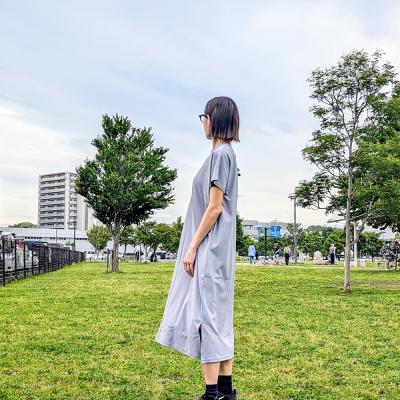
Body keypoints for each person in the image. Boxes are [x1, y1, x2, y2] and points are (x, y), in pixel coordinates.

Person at [155, 96, 240, 400]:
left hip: (209, 249)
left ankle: (211, 393)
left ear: (213, 119)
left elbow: (214, 208)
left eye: (203, 116)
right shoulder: (226, 155)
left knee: (205, 319)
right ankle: (225, 391)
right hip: (218, 252)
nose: (202, 122)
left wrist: (192, 247)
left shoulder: (220, 155)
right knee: (218, 320)